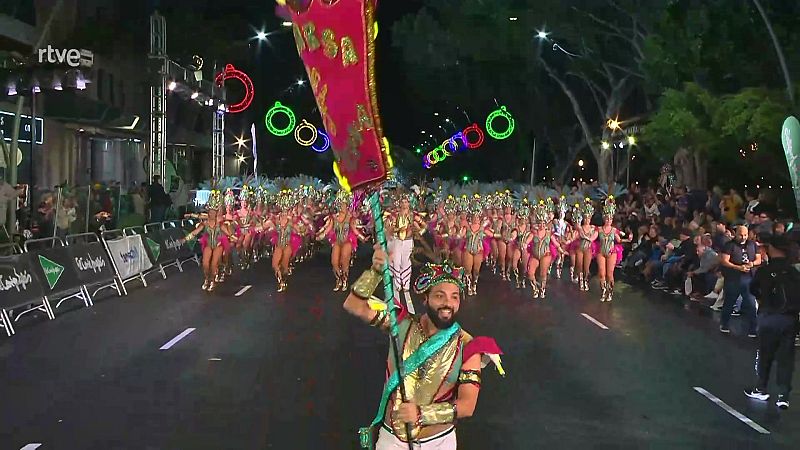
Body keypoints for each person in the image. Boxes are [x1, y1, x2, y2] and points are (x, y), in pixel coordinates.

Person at [343, 245, 504, 450]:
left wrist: (421, 414)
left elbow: (467, 406)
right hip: (392, 439)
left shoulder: (467, 346)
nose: (448, 303)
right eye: (440, 296)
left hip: (438, 442)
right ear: (425, 298)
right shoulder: (399, 324)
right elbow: (353, 305)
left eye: (455, 297)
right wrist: (374, 271)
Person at [745, 235, 800, 410]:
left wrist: (763, 298)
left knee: (765, 354)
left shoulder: (764, 271)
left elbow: (753, 289)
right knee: (786, 358)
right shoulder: (794, 272)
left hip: (768, 317)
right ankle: (783, 395)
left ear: (772, 249)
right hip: (789, 319)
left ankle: (761, 388)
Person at [719, 226, 762, 336]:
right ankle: (724, 324)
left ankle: (753, 328)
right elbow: (724, 261)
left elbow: (758, 259)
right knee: (729, 302)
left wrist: (752, 264)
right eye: (741, 235)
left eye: (745, 235)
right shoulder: (729, 245)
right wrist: (737, 267)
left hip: (748, 279)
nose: (743, 237)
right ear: (736, 234)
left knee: (752, 304)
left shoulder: (752, 245)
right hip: (733, 279)